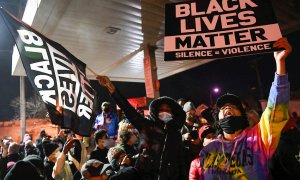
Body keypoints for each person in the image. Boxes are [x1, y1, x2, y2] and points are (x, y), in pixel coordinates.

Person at [194, 37, 292, 179]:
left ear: (242, 115)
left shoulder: (258, 138)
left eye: (234, 106)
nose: (227, 107)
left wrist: (280, 63)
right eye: (222, 108)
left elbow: (275, 109)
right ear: (218, 119)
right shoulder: (208, 150)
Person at [97, 76, 187, 179]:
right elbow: (127, 109)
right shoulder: (146, 126)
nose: (164, 112)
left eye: (168, 110)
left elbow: (180, 163)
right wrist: (111, 88)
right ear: (156, 112)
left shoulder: (176, 135)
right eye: (161, 110)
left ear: (173, 113)